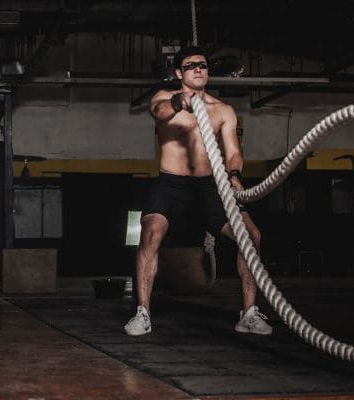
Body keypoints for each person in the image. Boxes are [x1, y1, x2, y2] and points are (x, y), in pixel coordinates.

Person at [124, 46, 272, 337]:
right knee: (151, 232)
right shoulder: (165, 99)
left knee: (251, 236)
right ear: (179, 72)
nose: (198, 69)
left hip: (210, 186)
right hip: (172, 183)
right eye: (191, 65)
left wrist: (233, 175)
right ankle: (143, 313)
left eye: (202, 65)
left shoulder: (223, 110)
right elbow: (160, 113)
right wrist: (182, 102)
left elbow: (233, 152)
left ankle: (249, 313)